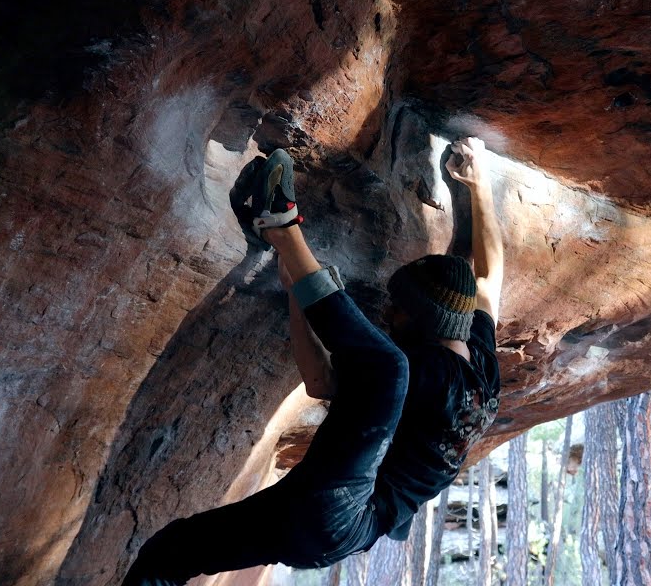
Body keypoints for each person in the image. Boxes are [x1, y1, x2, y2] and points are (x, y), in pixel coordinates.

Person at [122, 137, 504, 586]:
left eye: (398, 308)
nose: (388, 313)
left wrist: (300, 279)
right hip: (329, 524)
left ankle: (283, 228)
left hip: (342, 509)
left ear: (422, 322)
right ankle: (285, 240)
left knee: (387, 370)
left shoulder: (427, 374)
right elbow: (488, 275)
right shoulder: (480, 356)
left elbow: (323, 381)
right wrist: (480, 185)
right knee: (168, 554)